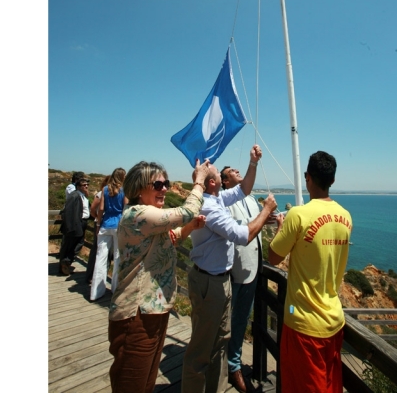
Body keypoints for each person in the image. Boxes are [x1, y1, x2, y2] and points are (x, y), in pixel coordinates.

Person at [107, 159, 212, 393]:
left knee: (146, 383)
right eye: (157, 185)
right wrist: (199, 180)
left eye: (166, 183)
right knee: (131, 385)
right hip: (136, 313)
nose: (164, 188)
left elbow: (172, 238)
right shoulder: (138, 215)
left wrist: (190, 227)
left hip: (153, 310)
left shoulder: (150, 219)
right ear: (138, 189)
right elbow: (187, 211)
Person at [181, 145, 278, 393]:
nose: (211, 163)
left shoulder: (215, 199)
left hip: (219, 280)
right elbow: (242, 235)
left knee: (219, 343)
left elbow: (244, 189)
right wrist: (267, 210)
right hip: (209, 283)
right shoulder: (209, 206)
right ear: (214, 183)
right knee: (201, 350)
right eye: (212, 168)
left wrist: (253, 163)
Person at [268, 151, 353, 393]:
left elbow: (273, 257)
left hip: (303, 323)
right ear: (332, 180)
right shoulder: (346, 217)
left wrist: (281, 228)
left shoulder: (298, 214)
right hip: (334, 320)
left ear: (308, 177)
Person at [220, 164, 283, 393]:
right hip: (236, 270)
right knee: (230, 320)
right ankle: (229, 366)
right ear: (225, 181)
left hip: (253, 269)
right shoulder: (224, 201)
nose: (236, 170)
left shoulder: (250, 199)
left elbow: (257, 221)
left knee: (242, 319)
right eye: (231, 171)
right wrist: (265, 211)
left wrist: (275, 218)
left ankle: (232, 363)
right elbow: (241, 232)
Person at [90, 168, 127, 301]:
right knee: (117, 257)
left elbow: (100, 209)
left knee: (100, 258)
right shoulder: (124, 191)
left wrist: (98, 224)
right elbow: (125, 209)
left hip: (105, 225)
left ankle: (96, 292)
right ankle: (115, 289)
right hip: (118, 226)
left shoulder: (105, 190)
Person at [58, 172, 90, 276]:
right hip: (76, 224)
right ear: (78, 186)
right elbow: (68, 212)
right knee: (71, 245)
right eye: (84, 185)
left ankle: (66, 263)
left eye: (87, 185)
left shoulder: (83, 196)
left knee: (78, 243)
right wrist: (71, 227)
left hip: (82, 223)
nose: (86, 186)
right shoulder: (74, 195)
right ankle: (65, 263)